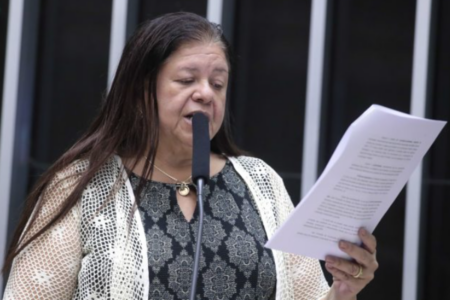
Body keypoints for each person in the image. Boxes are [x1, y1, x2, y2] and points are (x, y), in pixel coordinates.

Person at [2, 12, 378, 300]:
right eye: (186, 80)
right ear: (140, 91)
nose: (206, 94)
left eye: (218, 83)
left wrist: (343, 291)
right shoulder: (81, 186)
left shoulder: (261, 183)